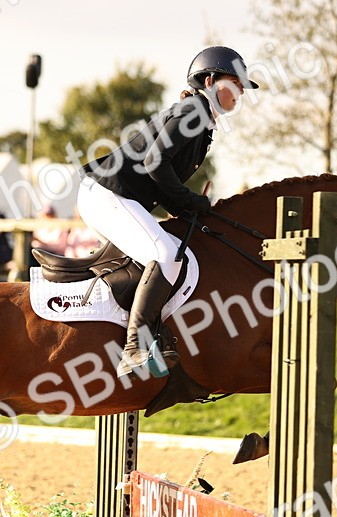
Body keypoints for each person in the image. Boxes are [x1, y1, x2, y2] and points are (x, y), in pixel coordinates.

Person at [76, 45, 257, 377]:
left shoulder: (201, 118)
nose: (241, 92)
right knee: (166, 253)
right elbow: (155, 162)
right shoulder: (194, 111)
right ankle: (135, 346)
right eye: (237, 83)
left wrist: (186, 209)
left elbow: (160, 177)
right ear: (212, 80)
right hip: (107, 193)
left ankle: (146, 335)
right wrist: (190, 201)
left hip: (117, 196)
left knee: (164, 252)